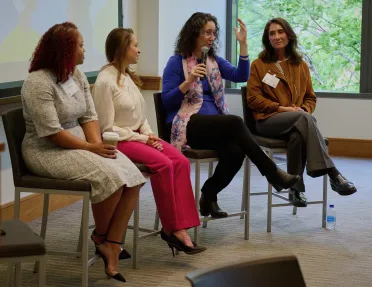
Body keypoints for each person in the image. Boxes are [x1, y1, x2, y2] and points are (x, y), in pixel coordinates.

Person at [21, 22, 146, 282]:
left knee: (133, 176)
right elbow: (52, 132)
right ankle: (105, 241)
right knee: (109, 178)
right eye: (80, 45)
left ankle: (109, 242)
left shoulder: (75, 75)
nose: (85, 50)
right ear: (65, 49)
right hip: (46, 150)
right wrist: (92, 148)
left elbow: (89, 115)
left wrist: (97, 147)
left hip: (77, 142)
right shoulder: (37, 83)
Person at [161, 12, 301, 218]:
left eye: (213, 33)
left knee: (236, 151)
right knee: (235, 122)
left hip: (215, 124)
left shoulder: (213, 61)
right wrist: (188, 81)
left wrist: (243, 45)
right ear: (194, 34)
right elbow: (166, 101)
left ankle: (208, 195)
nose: (211, 37)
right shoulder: (176, 62)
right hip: (187, 123)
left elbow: (240, 76)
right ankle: (273, 174)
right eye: (207, 33)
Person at [92, 28, 206, 256]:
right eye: (135, 45)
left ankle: (180, 226)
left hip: (138, 136)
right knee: (163, 165)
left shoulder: (126, 76)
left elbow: (140, 115)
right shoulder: (105, 81)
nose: (139, 49)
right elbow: (107, 129)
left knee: (180, 161)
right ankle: (173, 230)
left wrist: (150, 134)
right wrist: (143, 138)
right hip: (120, 141)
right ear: (122, 49)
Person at [246, 18, 357, 207]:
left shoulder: (301, 65)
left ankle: (296, 189)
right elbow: (253, 99)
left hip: (297, 120)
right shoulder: (259, 64)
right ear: (267, 38)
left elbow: (310, 98)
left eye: (280, 32)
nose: (276, 36)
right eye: (272, 33)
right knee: (304, 119)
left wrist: (302, 110)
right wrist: (282, 109)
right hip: (267, 121)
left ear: (288, 35)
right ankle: (333, 174)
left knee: (298, 135)